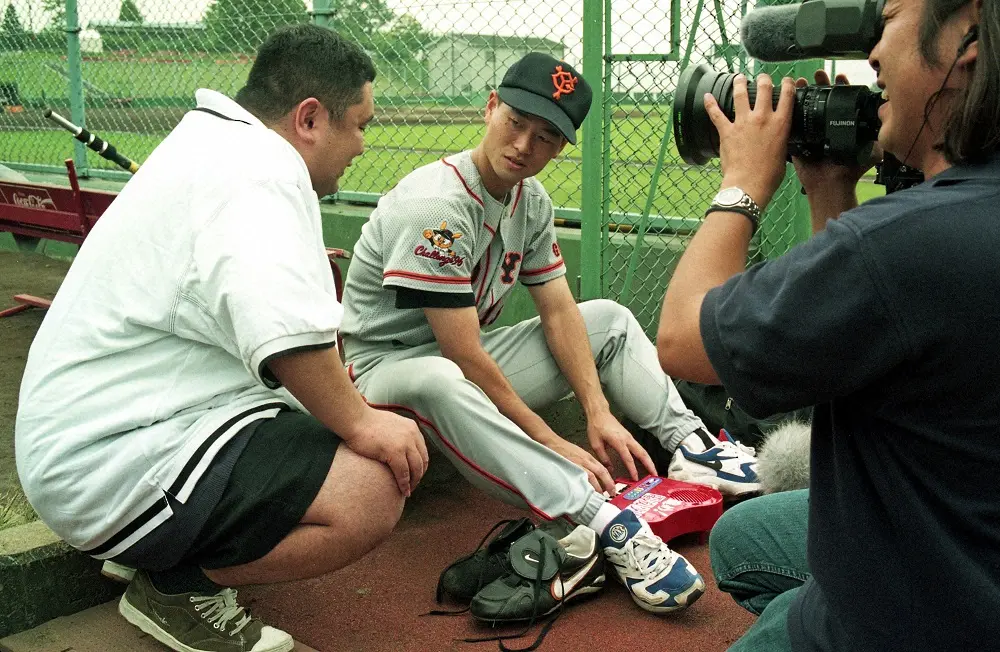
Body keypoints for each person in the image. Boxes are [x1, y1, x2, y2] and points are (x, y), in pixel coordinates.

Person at [15, 24, 428, 652]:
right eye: (361, 124)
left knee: (325, 423)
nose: (363, 145)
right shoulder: (261, 169)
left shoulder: (219, 146)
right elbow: (291, 341)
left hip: (102, 434)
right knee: (368, 488)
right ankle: (176, 588)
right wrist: (366, 425)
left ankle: (160, 547)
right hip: (104, 459)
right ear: (310, 118)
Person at [338, 51, 759, 615]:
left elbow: (560, 311)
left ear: (560, 148)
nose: (523, 146)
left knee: (604, 317)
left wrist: (597, 410)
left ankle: (689, 445)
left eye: (545, 137)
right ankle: (602, 520)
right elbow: (461, 354)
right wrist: (552, 438)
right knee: (442, 376)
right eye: (515, 122)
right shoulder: (437, 205)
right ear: (490, 108)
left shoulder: (528, 199)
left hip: (459, 359)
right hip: (379, 377)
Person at [656, 0, 1000, 649]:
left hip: (912, 622)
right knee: (741, 535)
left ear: (967, 38)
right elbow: (857, 345)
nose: (871, 55)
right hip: (970, 554)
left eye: (890, 19)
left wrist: (742, 182)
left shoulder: (905, 245)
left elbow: (682, 338)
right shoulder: (948, 226)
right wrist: (829, 192)